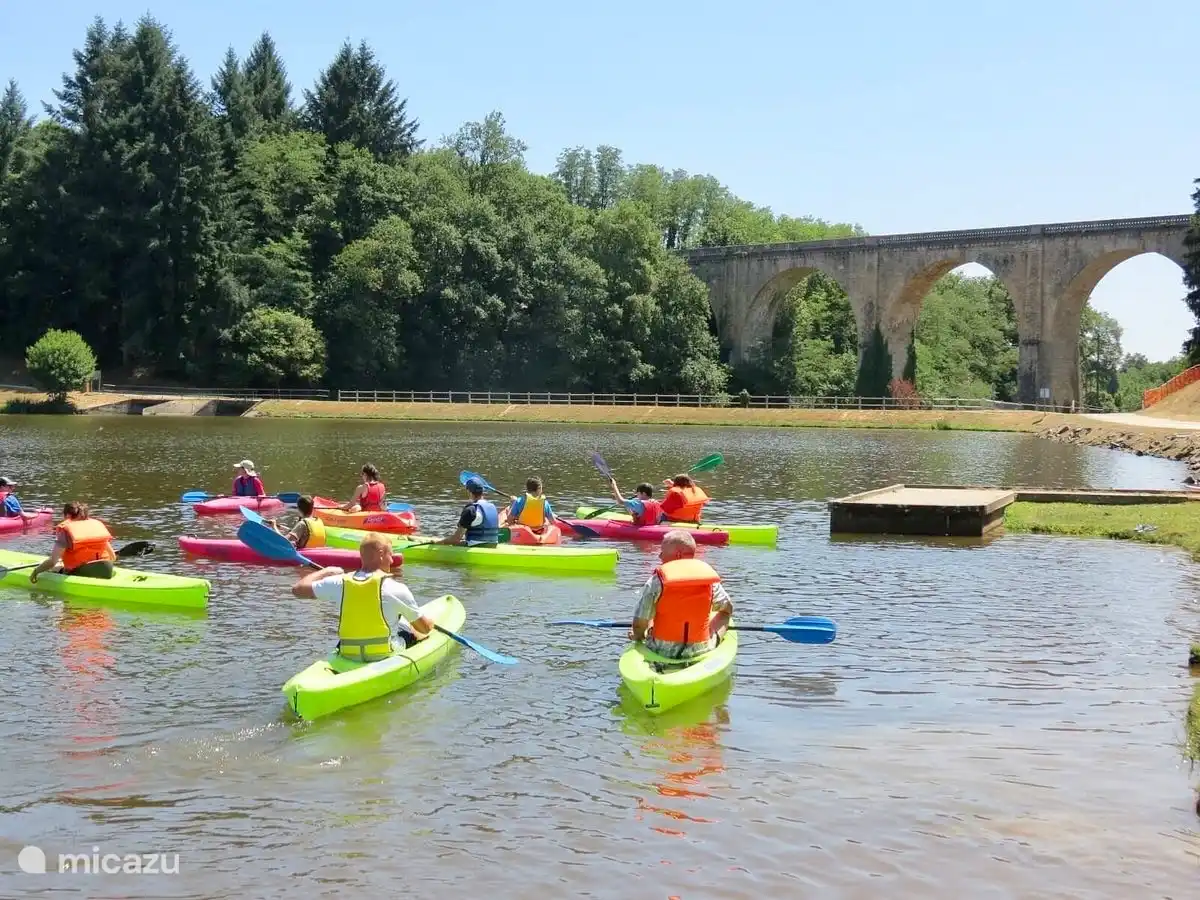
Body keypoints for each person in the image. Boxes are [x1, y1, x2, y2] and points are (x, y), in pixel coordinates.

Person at [290, 532, 434, 661]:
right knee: (414, 632)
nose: (391, 560)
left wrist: (325, 571)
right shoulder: (397, 588)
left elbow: (297, 589)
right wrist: (430, 623)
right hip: (384, 653)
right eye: (391, 555)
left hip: (348, 653)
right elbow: (425, 628)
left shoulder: (339, 582)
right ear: (381, 553)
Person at [629, 530, 733, 661]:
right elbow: (728, 607)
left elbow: (639, 623)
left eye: (662, 551)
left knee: (649, 617)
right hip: (700, 649)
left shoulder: (657, 581)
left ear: (677, 555)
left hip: (661, 650)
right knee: (724, 615)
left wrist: (638, 636)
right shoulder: (709, 580)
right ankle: (710, 641)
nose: (659, 556)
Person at [30, 501, 117, 582]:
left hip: (81, 573)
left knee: (54, 567)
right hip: (106, 569)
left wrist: (36, 571)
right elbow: (113, 557)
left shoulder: (65, 530)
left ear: (67, 515)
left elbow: (53, 561)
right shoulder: (96, 526)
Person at [439, 478, 499, 546]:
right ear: (482, 491)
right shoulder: (493, 507)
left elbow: (456, 539)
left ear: (469, 491)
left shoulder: (470, 510)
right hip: (493, 545)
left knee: (451, 544)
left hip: (476, 546)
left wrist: (437, 543)